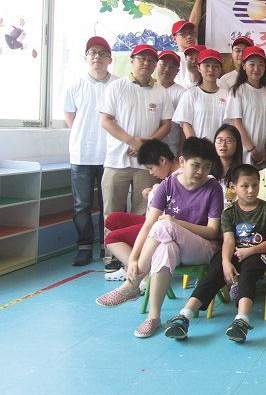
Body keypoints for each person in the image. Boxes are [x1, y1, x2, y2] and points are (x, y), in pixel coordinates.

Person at [96, 137, 224, 339]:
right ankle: (153, 317)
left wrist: (176, 222)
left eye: (206, 167)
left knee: (164, 225)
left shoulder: (213, 188)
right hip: (175, 245)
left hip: (204, 248)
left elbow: (212, 231)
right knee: (165, 248)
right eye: (196, 165)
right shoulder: (167, 185)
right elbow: (148, 225)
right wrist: (133, 259)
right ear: (182, 162)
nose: (201, 171)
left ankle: (132, 283)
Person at [163, 164, 266, 342]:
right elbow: (229, 241)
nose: (251, 190)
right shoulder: (229, 212)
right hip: (234, 251)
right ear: (233, 187)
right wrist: (225, 262)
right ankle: (184, 316)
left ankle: (241, 320)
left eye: (255, 185)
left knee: (247, 274)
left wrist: (250, 251)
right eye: (245, 186)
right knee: (214, 272)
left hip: (259, 253)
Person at [99, 44, 174, 217]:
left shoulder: (161, 92)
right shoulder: (116, 87)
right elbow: (106, 121)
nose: (146, 63)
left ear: (155, 65)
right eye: (142, 58)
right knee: (112, 215)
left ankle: (138, 238)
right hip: (117, 160)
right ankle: (111, 238)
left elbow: (167, 125)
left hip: (147, 163)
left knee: (143, 214)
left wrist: (146, 146)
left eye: (151, 60)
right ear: (132, 61)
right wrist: (131, 141)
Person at [64, 35, 118, 266]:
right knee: (81, 206)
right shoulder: (75, 85)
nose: (97, 57)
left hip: (111, 156)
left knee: (109, 206)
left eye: (103, 53)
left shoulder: (118, 85)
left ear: (110, 59)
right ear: (86, 57)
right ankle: (84, 247)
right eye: (93, 53)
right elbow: (71, 118)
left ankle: (108, 247)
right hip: (81, 156)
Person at [102, 140, 180, 280]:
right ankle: (129, 267)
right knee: (113, 219)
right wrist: (152, 192)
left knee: (111, 238)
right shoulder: (170, 176)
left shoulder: (180, 177)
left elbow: (174, 209)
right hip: (154, 219)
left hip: (163, 226)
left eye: (151, 168)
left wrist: (157, 190)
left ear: (162, 160)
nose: (151, 173)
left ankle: (140, 275)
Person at [225, 45, 266, 166]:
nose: (256, 69)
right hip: (244, 152)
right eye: (252, 64)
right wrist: (252, 149)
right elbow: (236, 123)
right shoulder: (237, 91)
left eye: (260, 64)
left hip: (265, 153)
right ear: (243, 66)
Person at [173, 49, 227, 141]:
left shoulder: (227, 95)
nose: (211, 70)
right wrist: (196, 145)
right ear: (199, 68)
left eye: (215, 66)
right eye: (206, 65)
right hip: (198, 148)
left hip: (222, 147)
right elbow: (186, 124)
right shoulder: (190, 95)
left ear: (220, 69)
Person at [156, 50, 187, 157]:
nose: (167, 69)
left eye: (172, 66)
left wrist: (181, 154)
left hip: (170, 150)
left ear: (177, 71)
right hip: (146, 148)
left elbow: (184, 127)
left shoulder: (182, 93)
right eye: (163, 64)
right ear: (156, 65)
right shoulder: (148, 89)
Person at [212, 124, 243, 204]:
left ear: (237, 144)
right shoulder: (206, 170)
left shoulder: (242, 174)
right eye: (219, 140)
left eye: (229, 140)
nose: (223, 145)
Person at [170, 20, 199, 89]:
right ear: (174, 38)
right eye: (183, 34)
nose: (189, 36)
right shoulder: (174, 59)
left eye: (191, 33)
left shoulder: (202, 55)